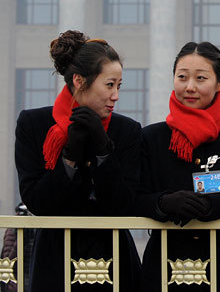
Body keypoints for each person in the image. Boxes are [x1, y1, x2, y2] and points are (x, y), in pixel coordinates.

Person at [14, 30, 142, 291]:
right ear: (79, 80)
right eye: (109, 85)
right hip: (55, 259)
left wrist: (103, 149)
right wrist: (70, 156)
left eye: (119, 86)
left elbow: (125, 203)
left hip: (114, 258)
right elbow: (37, 201)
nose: (116, 95)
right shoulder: (34, 124)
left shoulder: (126, 130)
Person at [136, 41, 220, 292]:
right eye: (182, 77)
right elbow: (133, 197)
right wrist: (164, 203)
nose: (190, 87)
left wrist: (211, 206)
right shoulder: (150, 138)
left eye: (201, 78)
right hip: (164, 265)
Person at [1, 203, 36, 292]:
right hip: (16, 281)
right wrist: (21, 238)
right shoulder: (13, 229)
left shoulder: (39, 229)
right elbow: (8, 260)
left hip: (33, 276)